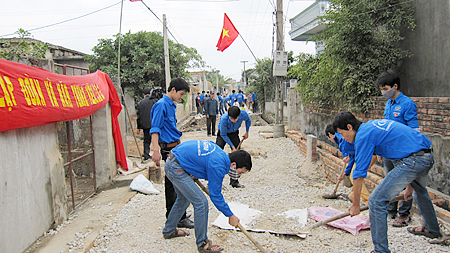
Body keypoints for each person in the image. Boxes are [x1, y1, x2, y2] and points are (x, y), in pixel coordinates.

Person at [333, 111, 441, 253]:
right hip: (425, 154)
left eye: (342, 133)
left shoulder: (363, 136)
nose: (343, 138)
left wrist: (355, 205)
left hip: (414, 160)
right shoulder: (371, 126)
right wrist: (409, 186)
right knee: (420, 191)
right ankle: (432, 229)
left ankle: (381, 250)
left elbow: (358, 174)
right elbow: (403, 152)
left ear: (349, 127)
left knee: (376, 200)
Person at [162, 140, 252, 252]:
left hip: (175, 160)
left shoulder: (221, 154)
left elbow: (202, 156)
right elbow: (215, 195)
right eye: (240, 172)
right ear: (233, 164)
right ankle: (203, 243)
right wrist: (230, 215)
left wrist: (193, 170)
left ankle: (169, 231)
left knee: (183, 199)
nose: (238, 175)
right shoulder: (218, 165)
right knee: (201, 202)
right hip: (175, 167)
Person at [376, 69, 418, 227]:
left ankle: (404, 214)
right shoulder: (389, 104)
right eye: (381, 90)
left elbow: (414, 131)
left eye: (385, 89)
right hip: (388, 150)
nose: (383, 93)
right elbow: (385, 127)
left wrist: (412, 151)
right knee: (390, 181)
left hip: (403, 151)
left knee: (405, 181)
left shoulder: (407, 104)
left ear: (395, 86)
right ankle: (391, 209)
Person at [150, 77, 194, 229]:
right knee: (173, 184)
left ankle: (179, 215)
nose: (182, 98)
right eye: (181, 94)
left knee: (178, 183)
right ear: (173, 90)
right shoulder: (161, 105)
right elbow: (155, 129)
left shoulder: (171, 105)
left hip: (175, 147)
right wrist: (155, 150)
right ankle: (175, 218)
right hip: (167, 149)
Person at [216, 106, 251, 188]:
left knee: (238, 155)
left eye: (235, 119)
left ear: (239, 115)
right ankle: (214, 180)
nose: (233, 120)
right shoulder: (224, 119)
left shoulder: (243, 114)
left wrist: (247, 132)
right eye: (231, 118)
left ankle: (234, 181)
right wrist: (232, 146)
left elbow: (248, 120)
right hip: (223, 134)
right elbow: (223, 135)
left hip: (234, 133)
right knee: (216, 153)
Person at [137, 87, 163, 161]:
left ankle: (146, 154)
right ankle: (160, 153)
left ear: (144, 94)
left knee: (146, 140)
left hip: (145, 125)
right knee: (158, 140)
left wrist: (139, 127)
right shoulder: (156, 102)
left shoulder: (140, 103)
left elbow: (139, 116)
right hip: (155, 124)